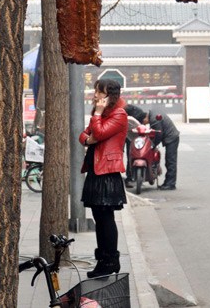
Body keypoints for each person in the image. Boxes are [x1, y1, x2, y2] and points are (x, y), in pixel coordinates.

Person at [79, 78, 128, 277]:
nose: (96, 95)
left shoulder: (119, 115)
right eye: (96, 91)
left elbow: (98, 133)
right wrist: (89, 138)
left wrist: (97, 116)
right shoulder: (102, 114)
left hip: (107, 172)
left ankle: (111, 261)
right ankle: (103, 261)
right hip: (95, 170)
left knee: (106, 218)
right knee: (99, 217)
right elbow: (84, 135)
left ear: (111, 96)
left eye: (100, 92)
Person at [125, 104, 180, 190]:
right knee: (169, 161)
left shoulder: (154, 119)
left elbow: (158, 135)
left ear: (145, 118)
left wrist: (151, 146)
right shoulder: (152, 114)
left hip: (171, 137)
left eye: (144, 122)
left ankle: (170, 184)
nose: (145, 124)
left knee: (170, 161)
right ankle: (168, 182)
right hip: (170, 136)